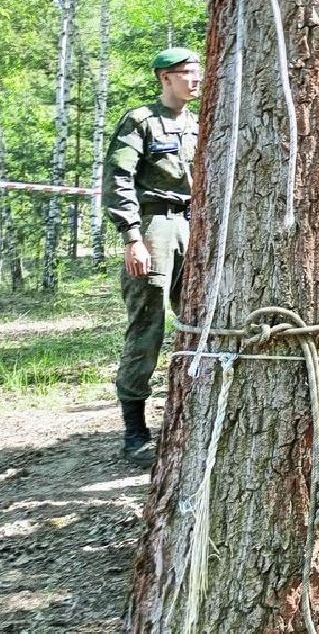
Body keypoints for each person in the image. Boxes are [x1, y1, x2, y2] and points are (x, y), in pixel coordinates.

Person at [102, 47, 201, 466]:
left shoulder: (197, 123)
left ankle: (190, 415)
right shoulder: (140, 121)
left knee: (198, 318)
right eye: (186, 73)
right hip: (153, 225)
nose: (194, 80)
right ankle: (135, 431)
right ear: (165, 78)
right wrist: (132, 237)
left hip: (194, 223)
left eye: (197, 72)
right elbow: (118, 178)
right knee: (148, 324)